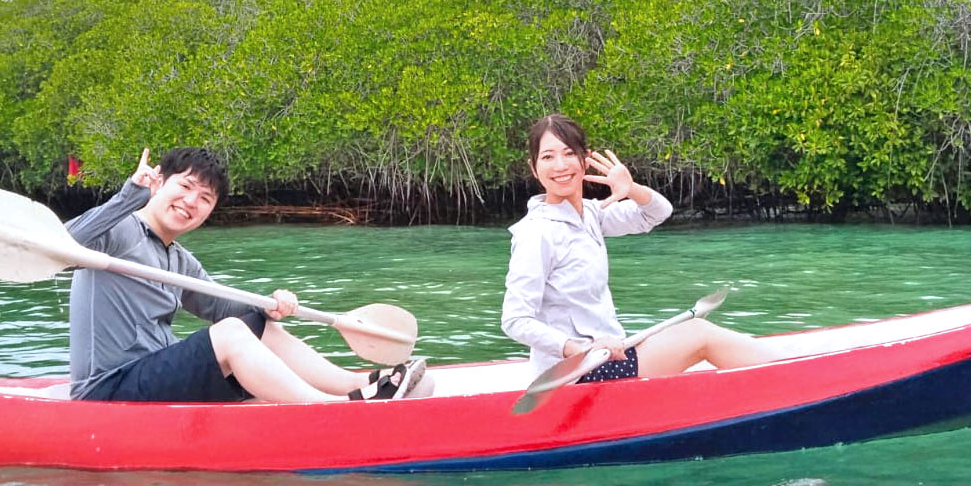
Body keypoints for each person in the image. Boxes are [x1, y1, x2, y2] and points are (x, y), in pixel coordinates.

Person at [68, 146, 429, 403]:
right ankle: (332, 410)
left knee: (256, 325)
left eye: (205, 198)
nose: (192, 202)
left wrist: (271, 306)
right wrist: (129, 196)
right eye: (185, 186)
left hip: (154, 376)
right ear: (159, 183)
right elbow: (65, 246)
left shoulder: (179, 261)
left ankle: (358, 383)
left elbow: (229, 309)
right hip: (108, 388)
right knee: (230, 335)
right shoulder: (117, 231)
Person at [501, 114, 775, 383]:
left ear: (585, 160)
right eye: (547, 157)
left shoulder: (592, 215)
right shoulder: (536, 232)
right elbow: (515, 320)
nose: (560, 165)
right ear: (534, 167)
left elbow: (656, 213)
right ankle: (787, 381)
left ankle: (782, 377)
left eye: (569, 153)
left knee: (696, 332)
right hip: (578, 371)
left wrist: (631, 188)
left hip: (611, 353)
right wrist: (581, 349)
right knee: (699, 334)